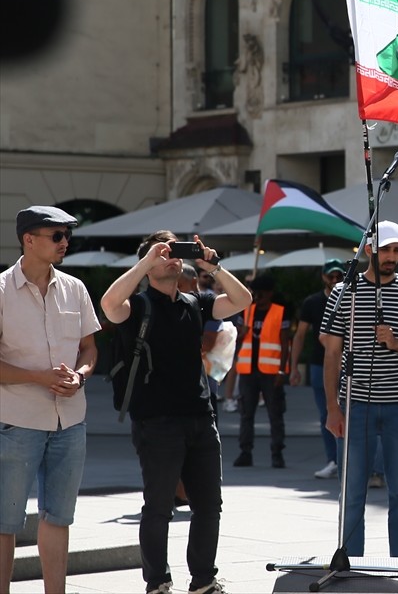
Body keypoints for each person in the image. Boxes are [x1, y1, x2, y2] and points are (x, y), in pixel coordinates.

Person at [100, 229, 251, 594]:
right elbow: (108, 304)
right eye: (162, 253)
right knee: (158, 507)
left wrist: (211, 266)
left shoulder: (194, 302)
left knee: (209, 506)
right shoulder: (137, 306)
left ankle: (203, 580)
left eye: (173, 251)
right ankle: (158, 582)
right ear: (149, 262)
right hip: (156, 421)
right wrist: (145, 262)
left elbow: (241, 299)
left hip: (200, 417)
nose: (171, 257)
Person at [0, 206, 100, 594]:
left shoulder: (75, 288)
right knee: (5, 521)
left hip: (70, 422)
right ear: (29, 239)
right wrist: (38, 378)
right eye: (56, 236)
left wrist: (82, 375)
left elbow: (90, 349)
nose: (65, 243)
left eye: (66, 236)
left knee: (59, 517)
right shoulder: (3, 292)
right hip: (16, 420)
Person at [321, 220, 398, 557]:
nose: (391, 256)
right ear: (369, 249)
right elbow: (331, 353)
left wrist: (397, 343)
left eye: (397, 250)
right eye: (386, 249)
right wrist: (332, 408)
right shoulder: (344, 292)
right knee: (352, 492)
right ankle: (350, 562)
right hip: (356, 406)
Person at [290, 259, 346, 479]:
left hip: (347, 365)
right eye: (331, 276)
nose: (335, 280)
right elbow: (300, 335)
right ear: (324, 277)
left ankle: (347, 460)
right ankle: (333, 460)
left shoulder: (352, 297)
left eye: (339, 276)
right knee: (326, 413)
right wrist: (294, 367)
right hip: (319, 363)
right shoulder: (312, 302)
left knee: (353, 415)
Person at [233, 275, 290, 468]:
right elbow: (238, 340)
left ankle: (277, 453)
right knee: (246, 413)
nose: (258, 297)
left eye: (262, 293)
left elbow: (284, 343)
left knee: (275, 413)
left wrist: (283, 371)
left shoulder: (280, 312)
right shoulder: (247, 312)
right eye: (255, 293)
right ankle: (245, 452)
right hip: (248, 370)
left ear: (270, 293)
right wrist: (242, 332)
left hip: (270, 371)